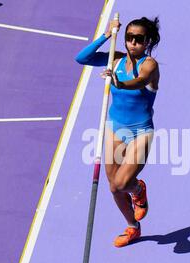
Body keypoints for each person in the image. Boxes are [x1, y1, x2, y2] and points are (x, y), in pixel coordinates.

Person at [75, 17, 160, 247]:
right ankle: (133, 227)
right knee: (113, 187)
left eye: (139, 39)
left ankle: (138, 189)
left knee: (123, 184)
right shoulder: (117, 59)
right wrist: (106, 36)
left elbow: (141, 81)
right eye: (129, 38)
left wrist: (119, 83)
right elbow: (81, 58)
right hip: (115, 129)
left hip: (140, 132)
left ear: (147, 41)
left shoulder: (150, 65)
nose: (133, 43)